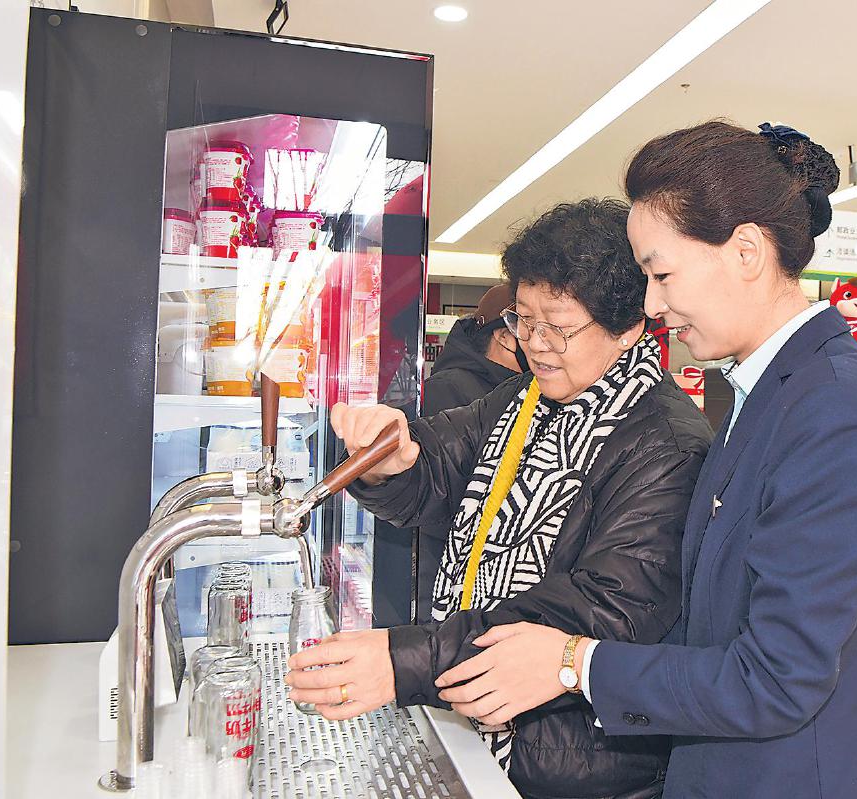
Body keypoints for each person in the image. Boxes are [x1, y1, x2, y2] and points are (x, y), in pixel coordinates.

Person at [430, 121, 857, 798]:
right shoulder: (765, 393)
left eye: (661, 274)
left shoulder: (835, 411)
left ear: (746, 251)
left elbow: (778, 677)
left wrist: (575, 663)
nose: (652, 305)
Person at [286, 198, 713, 799]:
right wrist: (393, 462)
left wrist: (407, 662)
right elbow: (437, 469)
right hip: (480, 734)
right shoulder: (523, 401)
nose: (535, 344)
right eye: (523, 320)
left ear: (629, 327)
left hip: (577, 767)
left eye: (558, 326)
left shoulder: (665, 445)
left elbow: (597, 610)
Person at [417, 283, 526, 618]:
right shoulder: (451, 390)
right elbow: (438, 495)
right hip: (449, 583)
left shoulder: (525, 392)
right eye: (532, 328)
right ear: (505, 336)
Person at [422, 283, 526, 417]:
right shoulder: (446, 390)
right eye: (530, 330)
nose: (538, 343)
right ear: (504, 336)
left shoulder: (527, 388)